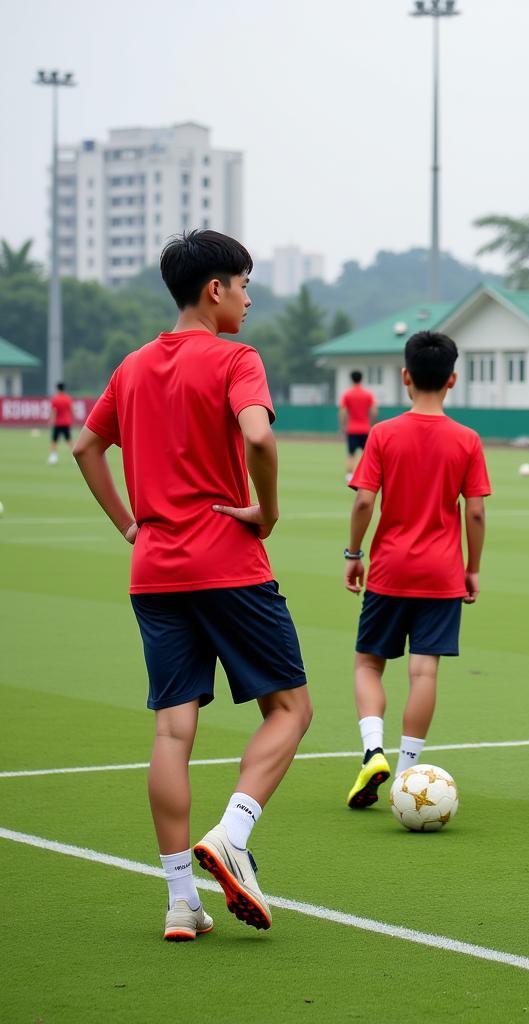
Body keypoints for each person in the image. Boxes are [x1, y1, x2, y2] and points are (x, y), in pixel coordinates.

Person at [73, 229, 313, 942]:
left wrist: (129, 525)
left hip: (154, 572)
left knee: (173, 729)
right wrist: (266, 513)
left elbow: (87, 446)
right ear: (215, 289)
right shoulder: (237, 358)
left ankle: (181, 902)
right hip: (228, 564)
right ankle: (234, 832)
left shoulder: (133, 366)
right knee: (291, 710)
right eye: (243, 285)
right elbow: (261, 439)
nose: (247, 298)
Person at [343, 330, 489, 809]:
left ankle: (371, 751)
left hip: (389, 570)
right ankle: (407, 772)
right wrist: (472, 568)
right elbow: (476, 512)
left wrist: (353, 553)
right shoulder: (467, 439)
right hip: (442, 573)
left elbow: (365, 499)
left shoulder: (384, 433)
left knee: (369, 662)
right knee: (424, 673)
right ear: (452, 380)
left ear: (405, 377)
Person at [339, 370, 378, 481]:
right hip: (365, 429)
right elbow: (374, 411)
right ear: (361, 379)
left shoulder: (347, 394)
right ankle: (366, 476)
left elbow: (343, 412)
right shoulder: (367, 394)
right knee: (366, 455)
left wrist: (343, 425)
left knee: (351, 454)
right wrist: (371, 424)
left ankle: (349, 476)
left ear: (351, 379)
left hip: (352, 429)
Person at [48, 381, 74, 464]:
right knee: (69, 440)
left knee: (54, 440)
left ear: (57, 389)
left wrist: (51, 420)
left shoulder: (55, 399)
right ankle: (75, 457)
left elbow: (54, 411)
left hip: (58, 423)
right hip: (66, 422)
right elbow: (72, 410)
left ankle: (53, 457)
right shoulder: (68, 398)